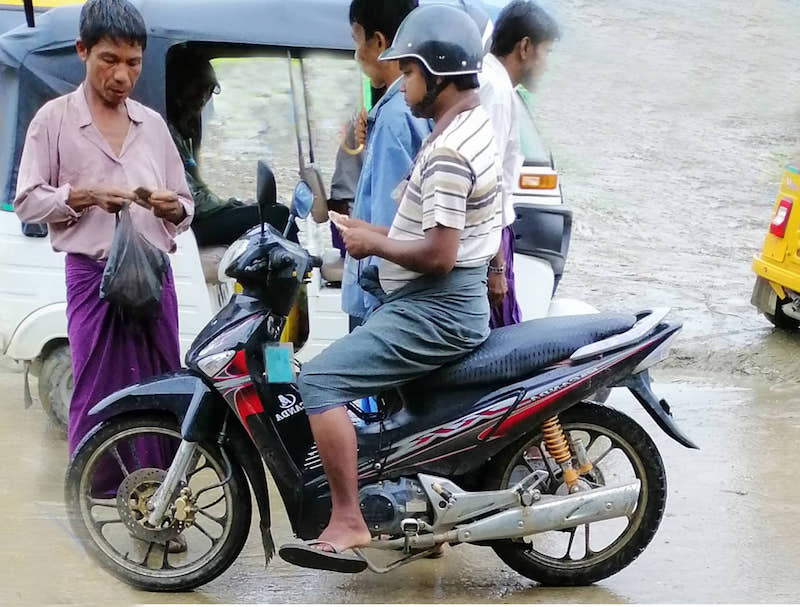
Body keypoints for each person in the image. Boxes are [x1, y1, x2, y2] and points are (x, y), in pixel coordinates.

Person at [279, 4, 502, 572]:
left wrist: (373, 245)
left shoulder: (449, 149)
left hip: (438, 307)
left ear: (438, 73)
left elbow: (440, 254)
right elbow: (427, 229)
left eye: (408, 73)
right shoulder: (467, 126)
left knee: (322, 379)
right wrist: (369, 230)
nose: (401, 84)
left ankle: (348, 517)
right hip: (442, 299)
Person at [13, 0, 193, 456]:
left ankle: (158, 498)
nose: (121, 76)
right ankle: (94, 501)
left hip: (153, 275)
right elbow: (27, 202)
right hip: (93, 276)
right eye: (109, 60)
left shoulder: (151, 125)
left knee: (162, 383)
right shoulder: (53, 120)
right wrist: (84, 195)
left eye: (133, 63)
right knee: (96, 388)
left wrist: (171, 209)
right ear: (83, 51)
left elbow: (187, 206)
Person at [341, 0, 432, 330]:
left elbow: (390, 226)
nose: (356, 54)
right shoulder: (415, 109)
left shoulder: (394, 117)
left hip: (380, 301)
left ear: (379, 42)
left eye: (356, 39)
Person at [478, 0, 560, 328]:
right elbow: (488, 183)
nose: (547, 65)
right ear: (525, 47)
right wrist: (497, 266)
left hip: (492, 239)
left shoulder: (494, 83)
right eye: (547, 52)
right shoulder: (495, 91)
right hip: (490, 244)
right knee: (500, 345)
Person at [166, 49, 296, 247]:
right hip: (189, 224)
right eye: (198, 93)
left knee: (272, 212)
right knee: (278, 216)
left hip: (199, 216)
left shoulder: (180, 132)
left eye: (207, 93)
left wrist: (234, 204)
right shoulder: (165, 132)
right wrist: (231, 205)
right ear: (180, 93)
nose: (202, 101)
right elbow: (196, 201)